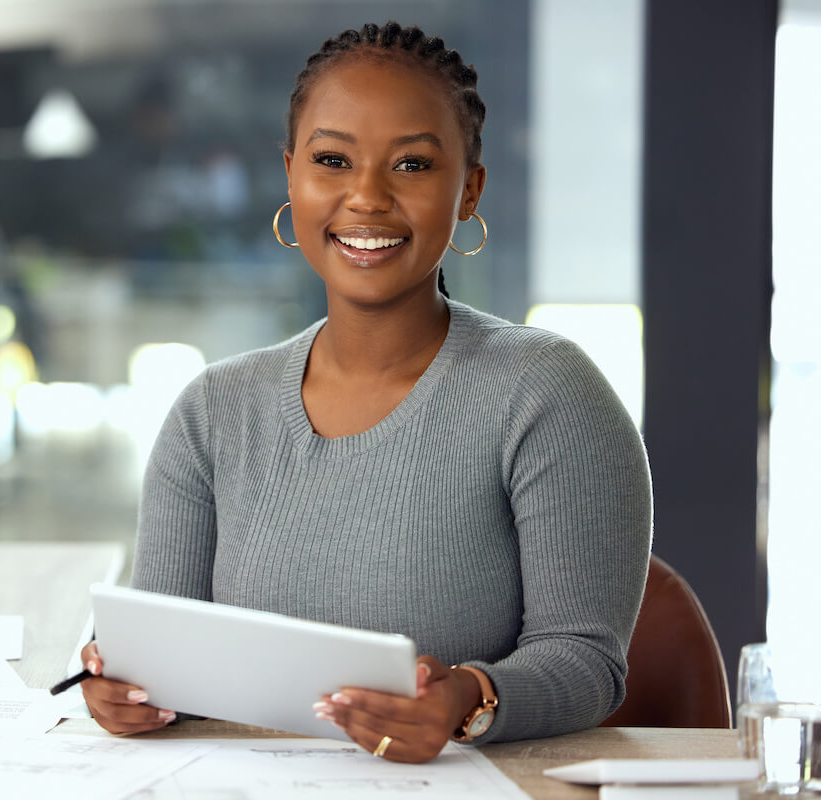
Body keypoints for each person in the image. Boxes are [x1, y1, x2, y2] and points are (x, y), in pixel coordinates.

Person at [80, 21, 652, 764]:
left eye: (412, 164)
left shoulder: (545, 393)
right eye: (331, 160)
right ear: (292, 176)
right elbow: (164, 656)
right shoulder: (211, 412)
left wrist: (467, 702)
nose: (368, 198)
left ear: (469, 189)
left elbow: (586, 660)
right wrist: (124, 690)